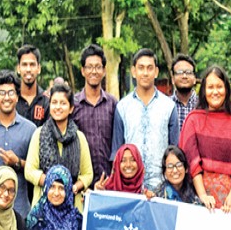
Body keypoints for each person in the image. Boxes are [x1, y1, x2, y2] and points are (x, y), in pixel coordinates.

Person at [179, 65, 231, 210]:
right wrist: (202, 196)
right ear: (203, 91)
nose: (215, 92)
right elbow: (191, 163)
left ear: (226, 89)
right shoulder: (194, 120)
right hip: (199, 201)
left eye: (219, 87)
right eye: (210, 87)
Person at [110, 49, 179, 190]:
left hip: (161, 188)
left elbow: (175, 150)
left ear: (156, 72)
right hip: (130, 189)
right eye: (141, 68)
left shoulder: (169, 107)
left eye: (150, 68)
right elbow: (117, 153)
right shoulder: (122, 107)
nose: (145, 73)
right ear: (134, 71)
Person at [25, 83, 93, 211]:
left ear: (71, 108)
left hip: (72, 207)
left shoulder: (80, 138)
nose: (58, 107)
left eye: (63, 103)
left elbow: (88, 174)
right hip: (43, 207)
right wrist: (53, 183)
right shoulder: (39, 134)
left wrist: (74, 187)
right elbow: (29, 171)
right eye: (54, 102)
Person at [0, 70, 37, 218]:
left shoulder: (30, 129)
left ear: (18, 97)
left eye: (11, 93)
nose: (6, 97)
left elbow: (36, 169)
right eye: (2, 93)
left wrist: (17, 162)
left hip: (20, 210)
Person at [72, 44, 118, 188]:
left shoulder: (112, 104)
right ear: (83, 71)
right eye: (89, 67)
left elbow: (117, 143)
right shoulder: (73, 104)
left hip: (109, 181)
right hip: (80, 183)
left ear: (104, 71)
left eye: (98, 67)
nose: (94, 71)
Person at [15, 44, 48, 127]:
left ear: (39, 68)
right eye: (24, 65)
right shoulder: (12, 99)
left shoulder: (46, 101)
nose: (28, 69)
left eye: (32, 65)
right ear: (18, 69)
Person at [170, 53, 198, 131]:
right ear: (172, 79)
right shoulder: (166, 105)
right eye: (179, 72)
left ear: (195, 79)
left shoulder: (203, 105)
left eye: (188, 72)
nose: (184, 76)